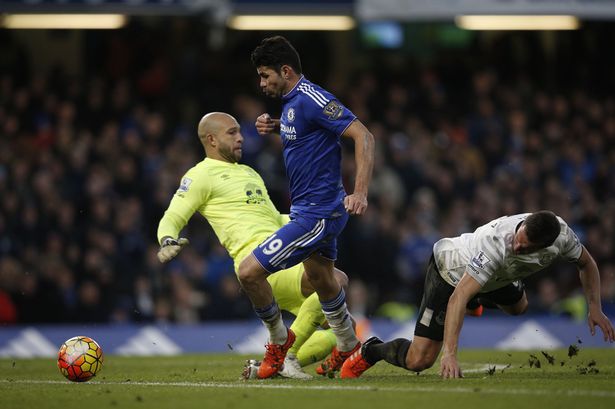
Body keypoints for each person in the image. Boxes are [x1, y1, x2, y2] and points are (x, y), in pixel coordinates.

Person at [157, 112, 348, 379]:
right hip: (258, 262)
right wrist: (167, 238)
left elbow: (273, 218)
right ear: (211, 140)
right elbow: (174, 215)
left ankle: (273, 364)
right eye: (232, 133)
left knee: (330, 334)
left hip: (283, 254)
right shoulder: (200, 175)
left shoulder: (248, 172)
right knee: (336, 280)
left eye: (240, 132)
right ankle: (285, 355)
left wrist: (314, 218)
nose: (240, 138)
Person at [237, 35, 375, 379]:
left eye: (266, 75)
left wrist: (359, 192)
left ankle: (278, 343)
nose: (262, 83)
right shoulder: (291, 105)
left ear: (286, 71)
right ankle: (348, 345)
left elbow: (364, 136)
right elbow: (308, 140)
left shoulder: (314, 98)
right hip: (308, 210)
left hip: (319, 213)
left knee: (249, 272)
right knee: (322, 279)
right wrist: (277, 128)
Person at [341, 210, 615, 379]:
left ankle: (479, 296)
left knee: (519, 308)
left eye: (525, 247)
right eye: (518, 238)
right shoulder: (496, 243)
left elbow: (587, 264)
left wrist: (594, 307)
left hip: (494, 277)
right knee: (420, 361)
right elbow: (457, 297)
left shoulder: (563, 237)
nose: (517, 246)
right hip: (450, 271)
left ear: (546, 247)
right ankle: (372, 349)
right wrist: (449, 354)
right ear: (522, 224)